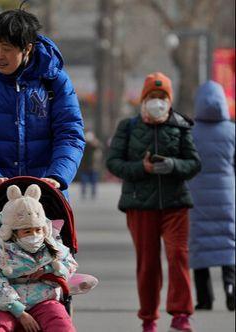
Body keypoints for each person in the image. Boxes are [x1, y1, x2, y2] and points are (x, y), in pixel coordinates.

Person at [0, 8, 85, 227]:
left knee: (49, 261)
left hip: (44, 203)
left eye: (7, 49)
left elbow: (70, 134)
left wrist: (57, 177)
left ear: (28, 49)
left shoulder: (55, 81)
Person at [106, 72, 201, 332]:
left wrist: (172, 165)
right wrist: (142, 168)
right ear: (143, 99)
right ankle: (149, 317)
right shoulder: (128, 127)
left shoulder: (181, 126)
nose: (157, 101)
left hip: (175, 204)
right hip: (140, 205)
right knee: (147, 263)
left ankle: (181, 314)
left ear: (169, 100)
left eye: (162, 97)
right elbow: (114, 162)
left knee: (178, 256)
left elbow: (194, 163)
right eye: (152, 96)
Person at [0, 184, 77, 332]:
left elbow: (69, 263)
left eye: (38, 230)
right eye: (27, 231)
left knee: (61, 324)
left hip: (43, 299)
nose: (34, 236)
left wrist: (51, 269)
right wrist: (19, 311)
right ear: (12, 232)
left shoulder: (52, 248)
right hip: (4, 304)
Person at [187, 81, 235, 311]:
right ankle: (231, 288)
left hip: (197, 195)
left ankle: (205, 298)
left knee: (199, 245)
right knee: (229, 243)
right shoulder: (232, 131)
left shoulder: (192, 132)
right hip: (227, 195)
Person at [78, 131, 102, 200]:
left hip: (93, 166)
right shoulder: (84, 146)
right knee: (84, 181)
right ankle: (84, 193)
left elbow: (98, 147)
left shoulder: (94, 146)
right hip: (86, 167)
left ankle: (92, 193)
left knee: (93, 182)